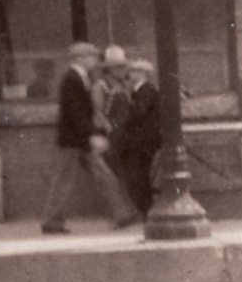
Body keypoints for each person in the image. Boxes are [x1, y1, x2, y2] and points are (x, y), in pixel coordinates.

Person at [41, 41, 141, 234]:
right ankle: (52, 220)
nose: (95, 60)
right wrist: (90, 135)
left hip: (78, 140)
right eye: (92, 56)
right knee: (67, 180)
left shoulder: (80, 77)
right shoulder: (72, 79)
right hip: (74, 141)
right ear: (80, 58)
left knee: (102, 175)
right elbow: (76, 113)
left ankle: (123, 214)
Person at [114, 59, 161, 215]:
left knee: (139, 174)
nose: (130, 74)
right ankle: (144, 208)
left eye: (133, 71)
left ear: (143, 73)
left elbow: (138, 113)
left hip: (143, 141)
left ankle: (145, 208)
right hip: (140, 140)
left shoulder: (146, 90)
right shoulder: (139, 90)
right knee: (139, 174)